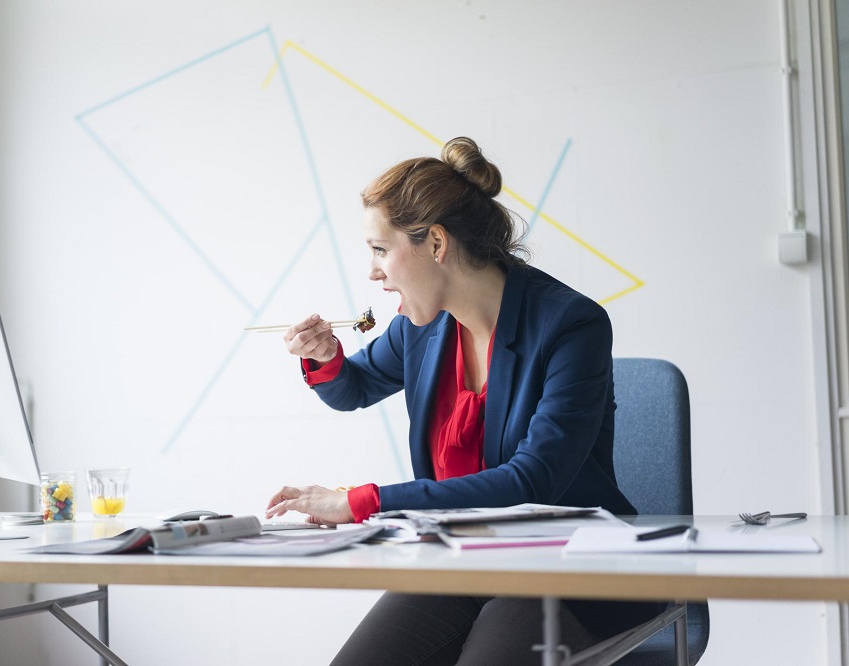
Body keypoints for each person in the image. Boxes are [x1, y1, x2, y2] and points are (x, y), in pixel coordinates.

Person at [265, 137, 662, 664]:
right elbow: (353, 389)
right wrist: (325, 357)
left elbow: (532, 480)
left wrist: (362, 501)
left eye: (380, 250)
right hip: (464, 558)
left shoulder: (572, 325)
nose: (372, 272)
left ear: (435, 243)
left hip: (571, 566)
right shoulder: (420, 330)